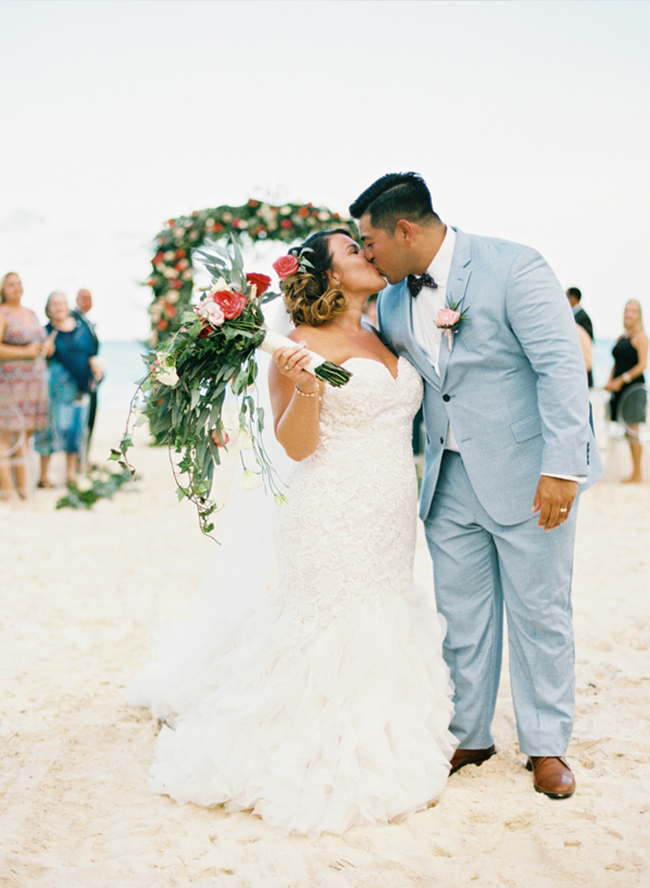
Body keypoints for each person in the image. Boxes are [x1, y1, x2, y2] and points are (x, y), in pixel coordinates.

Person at [129, 229, 456, 836]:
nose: (367, 254)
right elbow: (296, 445)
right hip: (328, 510)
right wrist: (306, 385)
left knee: (384, 609)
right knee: (329, 620)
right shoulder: (297, 344)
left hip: (389, 511)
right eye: (353, 251)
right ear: (331, 275)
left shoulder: (386, 332)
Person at [349, 172, 603, 799]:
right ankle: (470, 732)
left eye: (370, 241)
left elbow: (560, 369)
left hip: (529, 475)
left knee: (540, 613)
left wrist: (562, 468)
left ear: (405, 229)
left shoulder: (515, 266)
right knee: (460, 616)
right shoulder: (387, 300)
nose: (368, 254)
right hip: (446, 479)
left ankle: (546, 746)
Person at [34, 292, 103, 487]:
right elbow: (38, 359)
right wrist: (44, 352)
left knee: (75, 429)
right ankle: (44, 476)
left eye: (62, 303)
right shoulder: (45, 331)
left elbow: (91, 354)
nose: (59, 307)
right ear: (48, 309)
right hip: (52, 390)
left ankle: (71, 475)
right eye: (54, 304)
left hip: (79, 388)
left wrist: (96, 368)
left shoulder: (81, 329)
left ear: (68, 306)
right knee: (48, 429)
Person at [0, 272, 50, 501]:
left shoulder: (31, 313)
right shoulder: (2, 313)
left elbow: (37, 342)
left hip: (33, 385)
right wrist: (25, 352)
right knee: (4, 437)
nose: (16, 288)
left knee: (23, 438)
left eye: (19, 283)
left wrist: (44, 349)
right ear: (3, 289)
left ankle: (23, 489)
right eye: (10, 285)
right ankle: (7, 491)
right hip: (8, 384)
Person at [604, 299, 648, 483]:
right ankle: (632, 471)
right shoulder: (621, 338)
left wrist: (622, 380)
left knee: (633, 431)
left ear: (639, 315)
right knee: (624, 430)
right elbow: (617, 363)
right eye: (627, 310)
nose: (629, 314)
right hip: (618, 389)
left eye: (633, 311)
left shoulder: (641, 337)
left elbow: (642, 365)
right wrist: (610, 380)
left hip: (633, 389)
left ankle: (637, 473)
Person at [71, 288, 101, 449]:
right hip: (81, 381)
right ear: (76, 300)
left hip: (92, 378)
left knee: (90, 420)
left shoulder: (86, 321)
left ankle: (84, 459)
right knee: (81, 422)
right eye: (84, 298)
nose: (87, 302)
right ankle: (79, 461)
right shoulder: (73, 320)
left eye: (90, 299)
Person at [566, 287, 594, 387]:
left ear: (573, 298)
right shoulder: (575, 315)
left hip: (582, 368)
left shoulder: (582, 317)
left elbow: (587, 343)